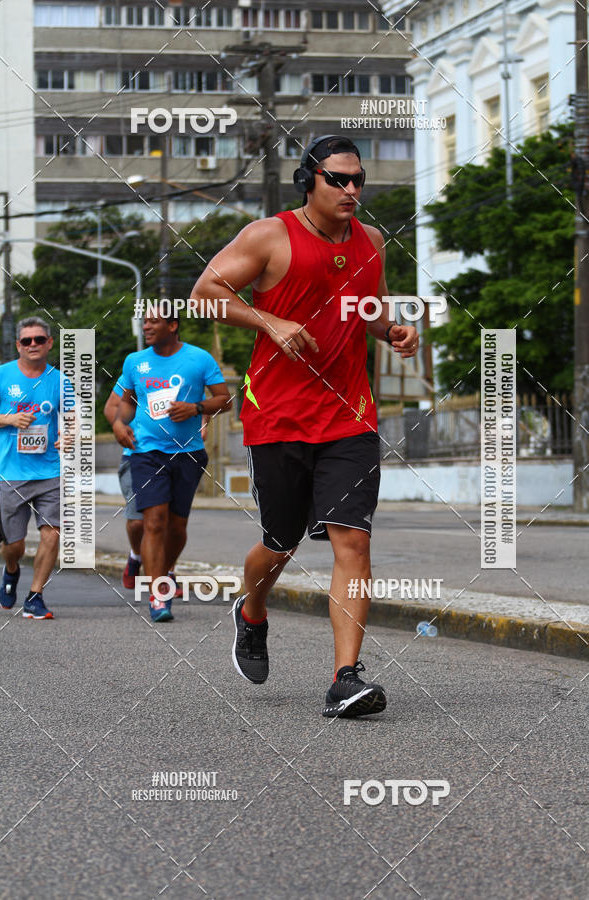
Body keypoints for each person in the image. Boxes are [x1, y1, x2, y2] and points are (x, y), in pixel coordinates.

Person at [192, 134, 419, 717]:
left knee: (354, 540)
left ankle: (345, 677)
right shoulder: (270, 235)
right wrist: (269, 320)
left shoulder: (371, 241)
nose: (350, 190)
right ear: (308, 181)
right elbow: (205, 294)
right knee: (281, 543)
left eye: (358, 180)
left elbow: (369, 305)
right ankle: (251, 610)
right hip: (278, 417)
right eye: (337, 180)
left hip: (350, 415)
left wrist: (393, 329)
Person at [112, 306, 230, 622]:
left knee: (177, 527)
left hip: (188, 453)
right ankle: (158, 594)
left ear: (173, 325)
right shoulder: (135, 361)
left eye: (153, 321)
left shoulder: (199, 358)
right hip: (146, 452)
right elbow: (126, 399)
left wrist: (196, 407)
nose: (146, 326)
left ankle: (162, 570)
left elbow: (225, 399)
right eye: (144, 321)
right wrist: (119, 424)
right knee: (154, 521)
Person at [0, 316, 66, 619]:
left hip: (51, 471)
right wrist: (9, 420)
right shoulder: (0, 375)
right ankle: (11, 571)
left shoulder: (61, 380)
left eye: (38, 339)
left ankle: (36, 596)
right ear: (18, 345)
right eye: (26, 341)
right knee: (15, 544)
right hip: (12, 473)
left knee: (52, 534)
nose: (32, 345)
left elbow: (73, 418)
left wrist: (68, 435)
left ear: (49, 343)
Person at [104, 381, 209, 595]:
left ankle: (165, 576)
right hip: (139, 456)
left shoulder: (189, 372)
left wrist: (202, 425)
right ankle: (136, 557)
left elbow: (203, 407)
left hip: (180, 456)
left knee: (168, 521)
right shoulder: (137, 371)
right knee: (137, 522)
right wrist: (122, 427)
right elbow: (111, 407)